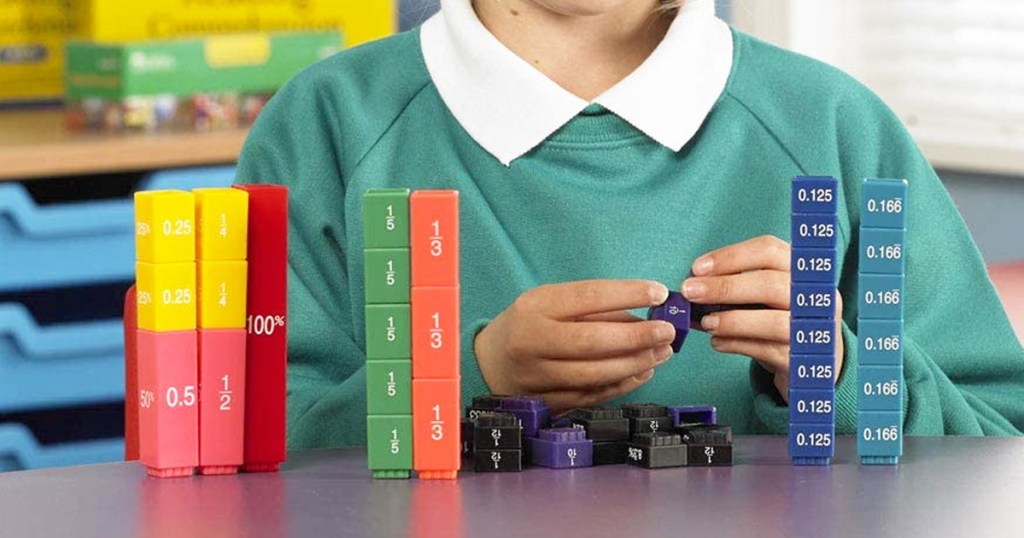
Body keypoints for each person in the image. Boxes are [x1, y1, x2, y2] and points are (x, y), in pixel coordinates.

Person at [235, 0, 1024, 448]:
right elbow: (241, 452)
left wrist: (842, 374)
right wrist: (471, 377)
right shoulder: (326, 124)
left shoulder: (836, 126)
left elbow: (997, 444)